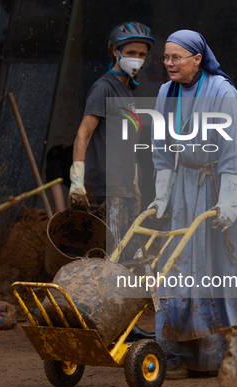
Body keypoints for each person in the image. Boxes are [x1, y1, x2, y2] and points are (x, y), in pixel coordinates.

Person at [148, 30, 237, 379]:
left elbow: (233, 152)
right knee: (185, 264)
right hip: (188, 183)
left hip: (227, 182)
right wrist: (161, 195)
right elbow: (161, 149)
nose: (169, 64)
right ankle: (186, 353)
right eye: (166, 58)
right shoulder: (165, 92)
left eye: (177, 58)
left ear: (198, 59)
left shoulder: (223, 92)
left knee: (231, 265)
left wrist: (229, 204)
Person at [67, 21, 155, 341]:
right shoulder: (103, 87)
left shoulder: (127, 89)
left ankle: (114, 323)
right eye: (130, 52)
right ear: (115, 52)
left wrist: (134, 182)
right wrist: (77, 181)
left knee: (122, 256)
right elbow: (83, 133)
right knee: (115, 259)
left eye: (142, 54)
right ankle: (116, 327)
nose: (137, 58)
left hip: (123, 186)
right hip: (107, 187)